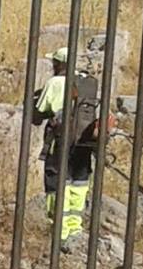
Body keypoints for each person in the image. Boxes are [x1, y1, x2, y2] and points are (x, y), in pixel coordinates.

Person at [30, 48, 101, 246]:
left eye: (54, 62)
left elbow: (39, 113)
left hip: (61, 141)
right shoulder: (86, 83)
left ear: (60, 64)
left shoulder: (55, 83)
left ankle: (59, 231)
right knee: (79, 182)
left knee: (57, 182)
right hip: (83, 141)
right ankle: (74, 229)